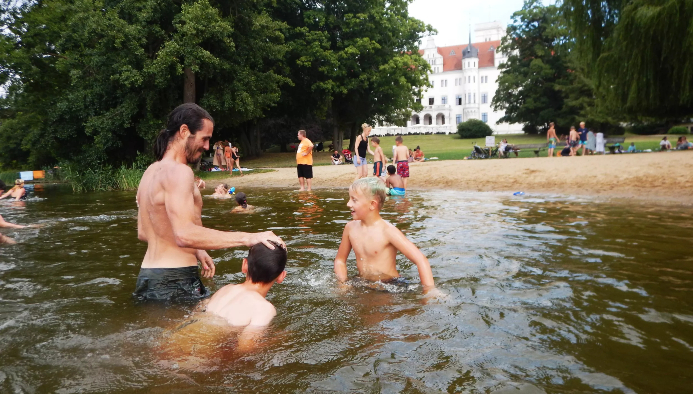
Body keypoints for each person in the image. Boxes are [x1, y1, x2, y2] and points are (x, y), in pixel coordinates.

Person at [134, 103, 283, 303]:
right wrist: (249, 238)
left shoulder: (150, 172)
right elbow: (184, 234)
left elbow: (145, 232)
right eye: (205, 139)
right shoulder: (180, 172)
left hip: (148, 278)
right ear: (184, 131)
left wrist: (198, 249)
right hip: (176, 278)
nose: (206, 147)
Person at [160, 242, 287, 364]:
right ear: (281, 276)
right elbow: (246, 348)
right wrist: (277, 340)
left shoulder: (226, 288)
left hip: (168, 340)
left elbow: (200, 307)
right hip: (194, 357)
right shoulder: (264, 308)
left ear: (244, 265)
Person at [334, 178, 434, 291]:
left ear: (372, 204)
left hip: (390, 285)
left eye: (354, 200)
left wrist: (430, 291)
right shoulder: (350, 228)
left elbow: (421, 260)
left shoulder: (388, 231)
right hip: (362, 282)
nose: (348, 204)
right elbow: (340, 260)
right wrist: (342, 283)